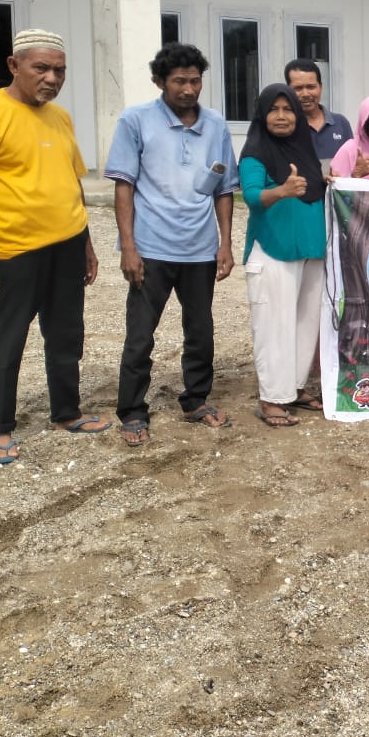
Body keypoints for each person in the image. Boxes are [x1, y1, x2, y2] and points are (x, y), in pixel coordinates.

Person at [105, 43, 239, 444]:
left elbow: (225, 189)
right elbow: (124, 186)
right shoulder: (135, 120)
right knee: (140, 334)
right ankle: (132, 411)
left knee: (200, 330)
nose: (188, 89)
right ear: (159, 81)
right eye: (179, 81)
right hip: (151, 248)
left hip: (200, 249)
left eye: (195, 80)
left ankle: (196, 400)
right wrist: (129, 247)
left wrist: (225, 243)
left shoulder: (215, 125)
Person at [0, 29, 111, 464]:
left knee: (65, 334)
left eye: (59, 70)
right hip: (13, 250)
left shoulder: (60, 117)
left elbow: (71, 181)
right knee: (7, 338)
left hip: (66, 246)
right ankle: (0, 427)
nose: (52, 78)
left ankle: (66, 413)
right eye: (41, 68)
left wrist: (86, 244)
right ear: (14, 66)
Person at [238, 84, 327, 427]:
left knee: (305, 322)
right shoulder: (255, 152)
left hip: (310, 251)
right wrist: (282, 191)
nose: (281, 116)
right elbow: (251, 196)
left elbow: (317, 189)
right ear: (262, 114)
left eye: (288, 109)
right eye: (273, 109)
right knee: (274, 325)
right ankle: (272, 398)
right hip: (273, 250)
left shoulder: (304, 149)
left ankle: (295, 387)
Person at [284, 58, 352, 172]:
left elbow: (351, 164)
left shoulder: (341, 123)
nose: (305, 94)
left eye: (311, 87)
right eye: (298, 88)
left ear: (320, 87)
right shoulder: (285, 127)